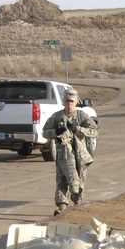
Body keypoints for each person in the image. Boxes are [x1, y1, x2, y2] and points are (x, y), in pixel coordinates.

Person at [43, 88, 98, 216]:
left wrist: (78, 129)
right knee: (61, 181)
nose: (69, 104)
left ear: (75, 103)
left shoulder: (82, 116)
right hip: (62, 155)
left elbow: (94, 131)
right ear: (63, 102)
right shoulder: (57, 117)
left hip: (80, 156)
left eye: (72, 102)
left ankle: (77, 206)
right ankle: (61, 207)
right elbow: (45, 132)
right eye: (67, 101)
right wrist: (56, 132)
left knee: (78, 182)